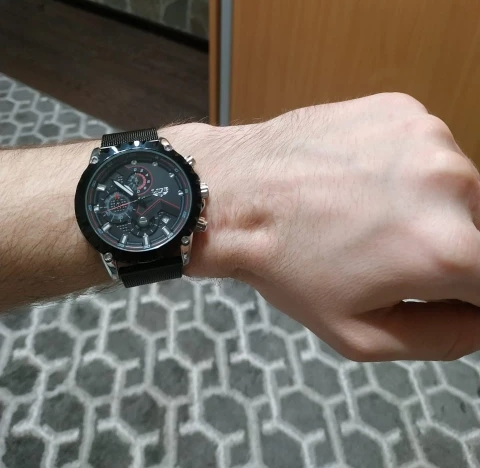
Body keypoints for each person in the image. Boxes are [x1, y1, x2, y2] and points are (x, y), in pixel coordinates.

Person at [1, 92, 479, 362]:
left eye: (138, 187)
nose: (136, 196)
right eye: (127, 194)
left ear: (195, 190)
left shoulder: (179, 193)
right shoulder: (117, 214)